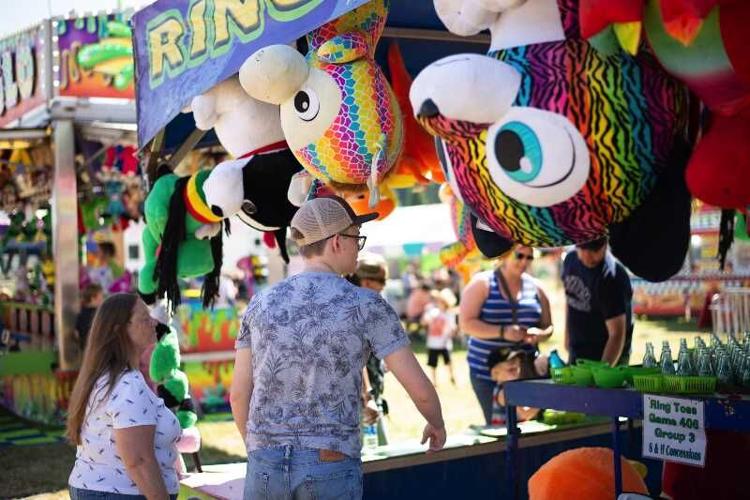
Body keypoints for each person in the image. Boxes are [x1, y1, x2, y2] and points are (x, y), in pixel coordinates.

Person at [231, 196, 445, 500]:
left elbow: (239, 394)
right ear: (336, 242)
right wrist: (436, 423)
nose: (359, 247)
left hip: (265, 459)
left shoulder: (260, 303)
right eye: (356, 238)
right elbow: (418, 386)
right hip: (329, 459)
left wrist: (257, 448)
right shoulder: (366, 304)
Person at [66, 293, 180, 499]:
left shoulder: (104, 376)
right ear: (120, 331)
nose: (154, 322)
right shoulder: (128, 384)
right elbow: (139, 461)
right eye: (145, 319)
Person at [459, 246, 553, 425]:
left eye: (529, 257)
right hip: (488, 373)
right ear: (505, 254)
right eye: (519, 255)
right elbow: (465, 323)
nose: (524, 261)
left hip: (525, 373)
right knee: (499, 428)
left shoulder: (536, 287)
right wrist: (503, 332)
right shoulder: (482, 283)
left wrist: (539, 335)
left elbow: (548, 327)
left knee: (530, 426)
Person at [562, 237, 633, 366]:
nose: (588, 255)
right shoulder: (570, 260)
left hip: (608, 358)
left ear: (605, 245)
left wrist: (603, 370)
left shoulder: (611, 277)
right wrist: (567, 337)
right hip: (578, 350)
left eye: (594, 249)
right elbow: (571, 299)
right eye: (583, 248)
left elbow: (617, 334)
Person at [352, 255, 391, 446]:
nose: (384, 286)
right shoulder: (356, 308)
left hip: (368, 395)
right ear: (366, 282)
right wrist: (366, 397)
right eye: (382, 280)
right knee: (378, 455)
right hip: (359, 399)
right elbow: (355, 356)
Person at [487, 347, 547, 426]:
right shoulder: (504, 392)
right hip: (505, 436)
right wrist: (544, 398)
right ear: (495, 374)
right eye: (511, 369)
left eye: (517, 366)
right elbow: (525, 415)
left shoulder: (515, 388)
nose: (514, 363)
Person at [421, 288, 458, 386]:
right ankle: (434, 381)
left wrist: (452, 332)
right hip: (433, 343)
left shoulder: (449, 314)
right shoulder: (433, 311)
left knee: (448, 362)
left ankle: (452, 377)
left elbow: (452, 327)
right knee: (433, 364)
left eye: (442, 301)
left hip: (445, 344)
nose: (439, 303)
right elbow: (424, 321)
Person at [74, 283, 104, 352]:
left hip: (85, 350)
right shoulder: (99, 314)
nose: (103, 299)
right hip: (97, 350)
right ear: (93, 298)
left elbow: (76, 334)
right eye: (101, 296)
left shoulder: (81, 314)